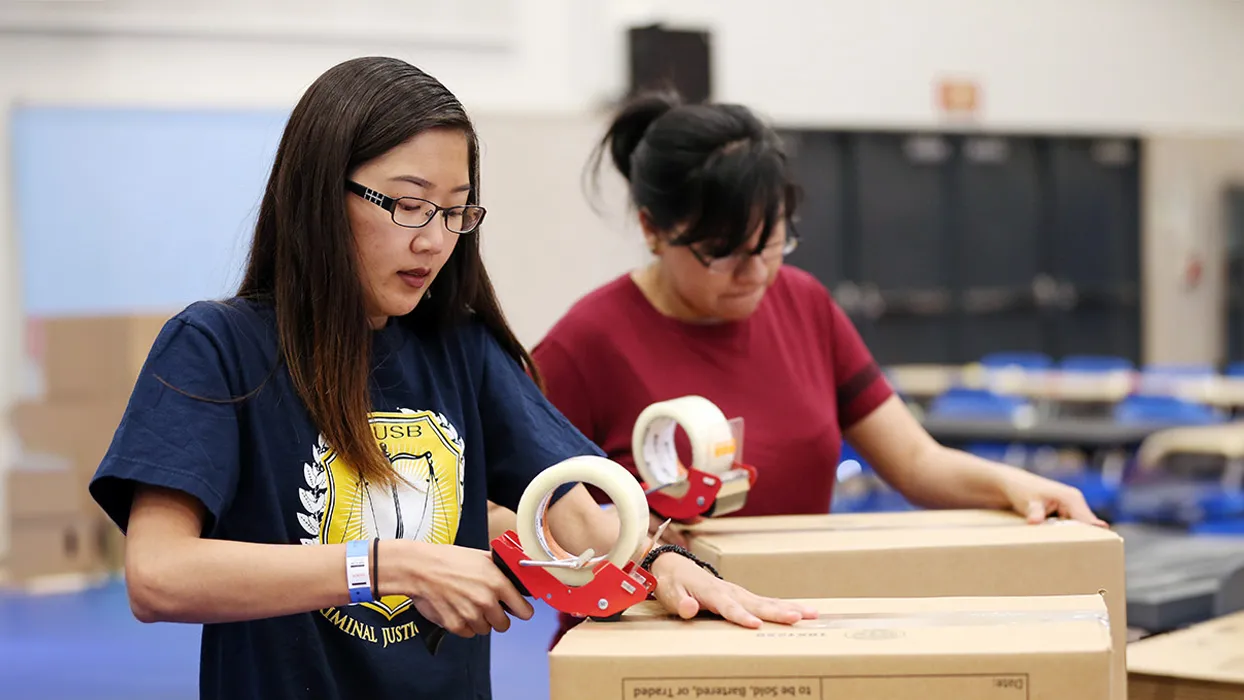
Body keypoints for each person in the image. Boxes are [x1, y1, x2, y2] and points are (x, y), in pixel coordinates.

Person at [87, 59, 816, 700]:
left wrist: (662, 563)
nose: (435, 239)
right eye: (407, 205)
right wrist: (391, 565)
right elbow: (159, 575)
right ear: (317, 193)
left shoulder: (460, 348)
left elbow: (574, 508)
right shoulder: (217, 347)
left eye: (455, 210)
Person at [514, 91, 1107, 649]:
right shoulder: (585, 344)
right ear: (651, 229)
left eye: (770, 244)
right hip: (653, 639)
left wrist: (1016, 485)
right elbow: (523, 510)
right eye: (720, 253)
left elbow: (916, 461)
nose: (753, 274)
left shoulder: (804, 306)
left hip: (793, 628)